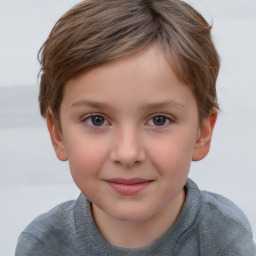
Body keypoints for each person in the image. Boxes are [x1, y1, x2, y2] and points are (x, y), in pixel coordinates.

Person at [15, 0, 255, 255]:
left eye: (159, 120)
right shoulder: (42, 246)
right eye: (97, 120)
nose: (128, 154)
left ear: (202, 134)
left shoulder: (224, 240)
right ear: (58, 134)